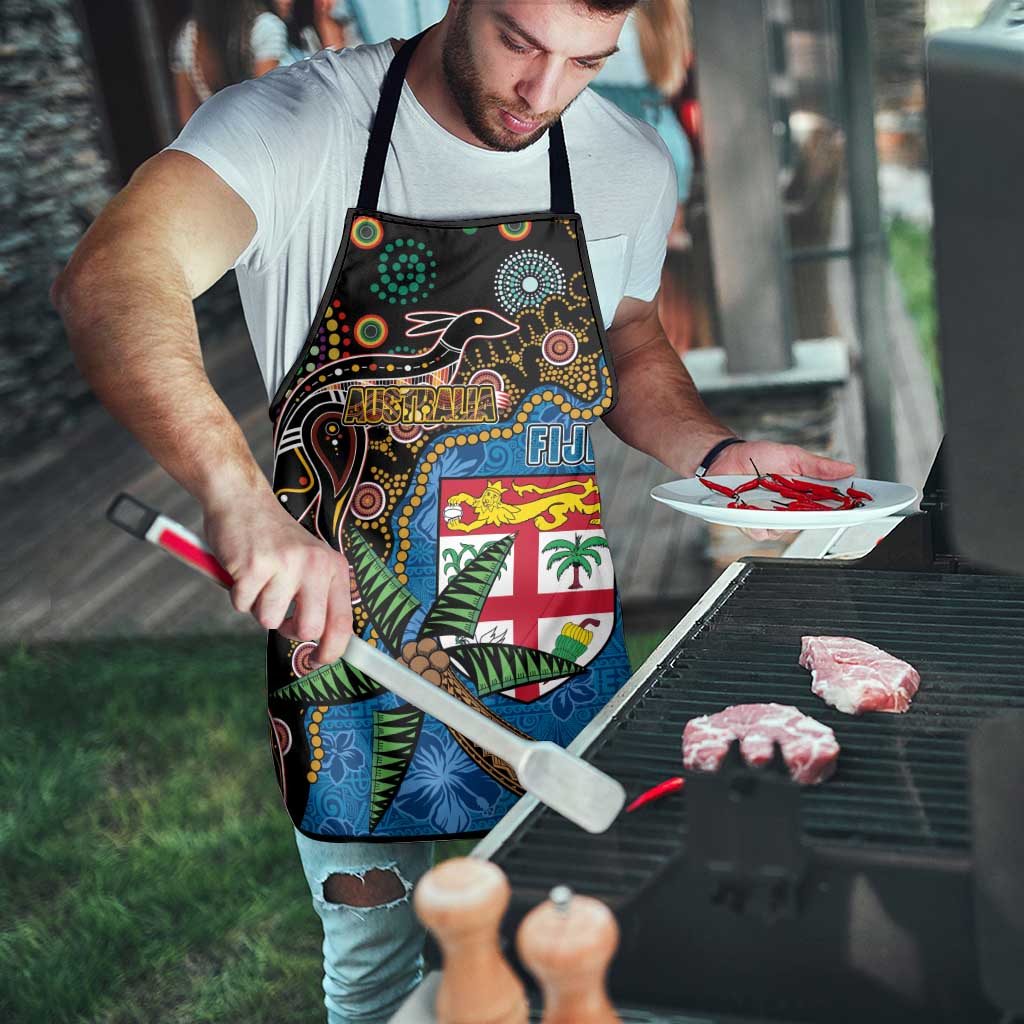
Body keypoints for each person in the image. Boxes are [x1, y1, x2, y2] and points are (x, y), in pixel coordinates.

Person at [53, 2, 856, 1020]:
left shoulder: (624, 160)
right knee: (380, 978)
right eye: (521, 42)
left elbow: (627, 337)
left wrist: (716, 448)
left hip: (552, 641)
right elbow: (113, 275)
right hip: (348, 656)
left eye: (585, 62)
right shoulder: (297, 125)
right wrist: (237, 497)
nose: (543, 93)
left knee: (576, 953)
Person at [170, 0, 289, 126]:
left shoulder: (188, 37)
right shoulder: (266, 27)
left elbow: (188, 121)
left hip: (215, 139)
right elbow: (266, 107)